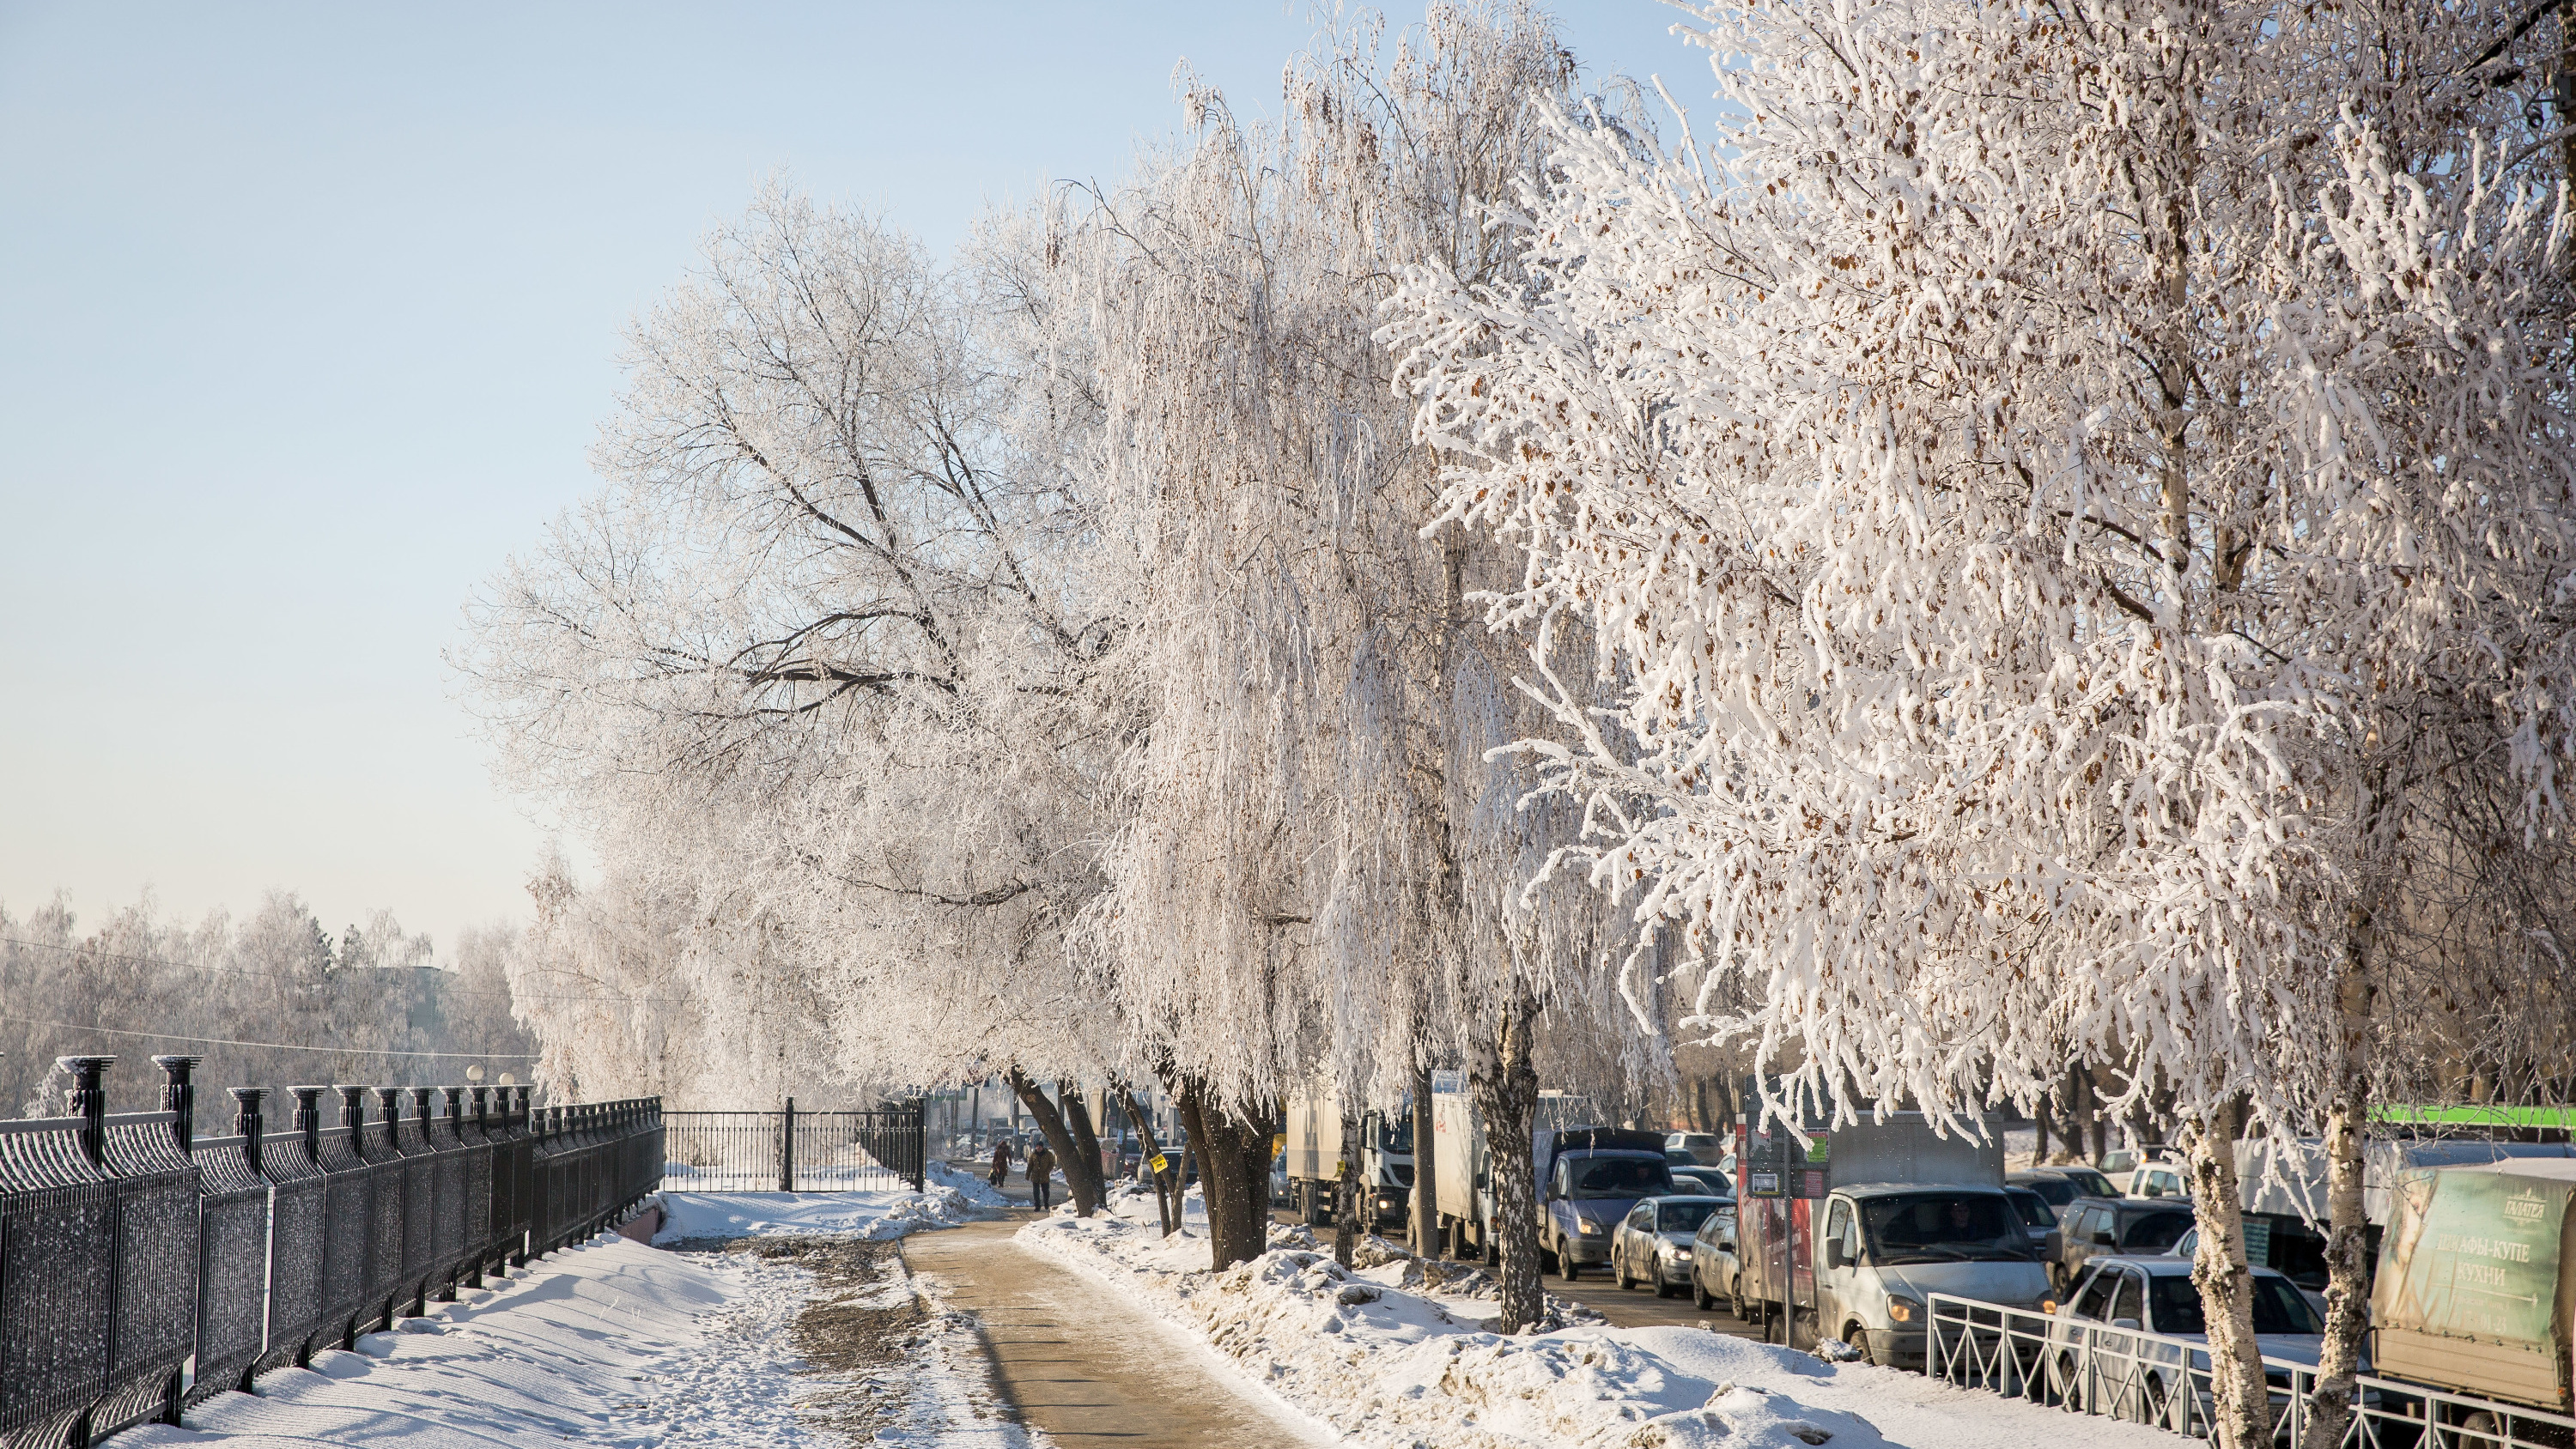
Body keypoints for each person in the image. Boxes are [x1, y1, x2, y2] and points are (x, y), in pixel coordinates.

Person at [1027, 1142, 1058, 1211]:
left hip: (1045, 1176)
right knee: (1036, 1192)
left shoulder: (1048, 1154)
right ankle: (1037, 1205)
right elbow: (1030, 1165)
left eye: (1040, 1146)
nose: (1038, 1148)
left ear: (1042, 1147)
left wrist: (1047, 1171)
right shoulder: (1033, 1155)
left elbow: (1052, 1163)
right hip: (1035, 1176)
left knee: (1046, 1191)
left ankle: (1046, 1202)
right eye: (1037, 1146)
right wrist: (1028, 1175)